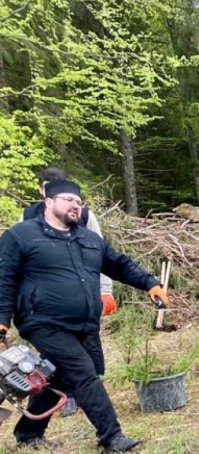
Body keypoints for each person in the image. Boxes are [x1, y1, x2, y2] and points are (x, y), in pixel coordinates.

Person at [0, 180, 168, 452]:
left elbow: (118, 265)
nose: (75, 206)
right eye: (68, 199)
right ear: (49, 201)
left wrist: (150, 283)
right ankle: (111, 438)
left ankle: (29, 434)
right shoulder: (21, 236)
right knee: (84, 373)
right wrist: (2, 320)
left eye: (79, 202)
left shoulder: (89, 239)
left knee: (59, 378)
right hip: (43, 322)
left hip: (85, 323)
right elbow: (4, 279)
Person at [22, 167, 117, 418]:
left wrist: (105, 291)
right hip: (45, 310)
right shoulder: (27, 219)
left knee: (80, 358)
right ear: (42, 191)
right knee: (68, 362)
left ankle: (34, 427)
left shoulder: (85, 217)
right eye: (47, 187)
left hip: (83, 302)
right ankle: (92, 410)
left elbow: (102, 256)